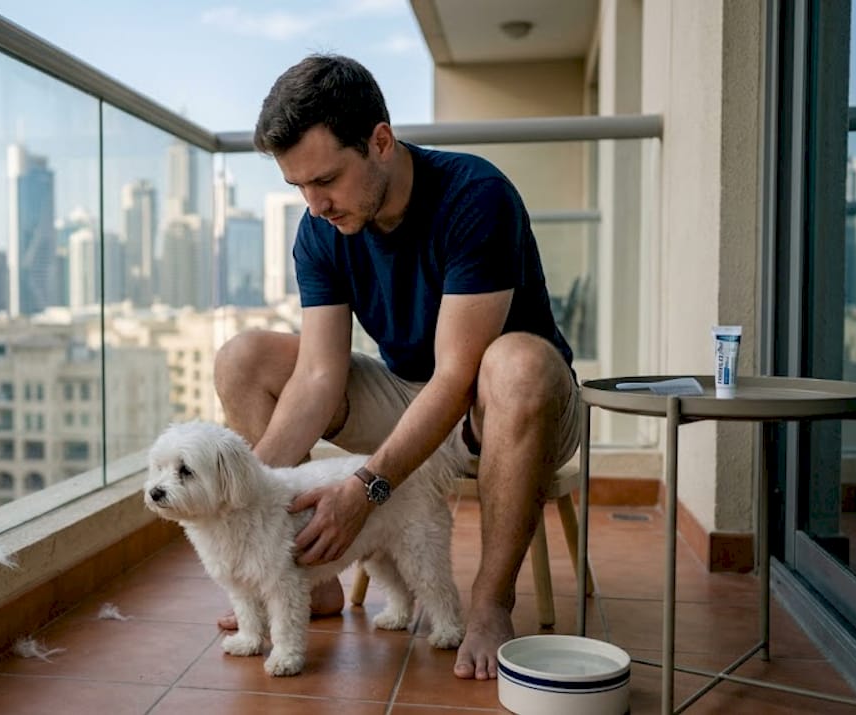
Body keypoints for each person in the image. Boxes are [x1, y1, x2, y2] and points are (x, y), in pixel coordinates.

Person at [212, 53, 581, 681]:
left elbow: (457, 376)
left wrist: (366, 490)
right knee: (244, 358)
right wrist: (248, 500)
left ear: (380, 141)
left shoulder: (475, 195)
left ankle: (490, 604)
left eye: (326, 179)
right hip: (410, 393)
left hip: (510, 404)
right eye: (299, 187)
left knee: (515, 363)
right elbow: (319, 378)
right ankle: (310, 579)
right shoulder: (321, 229)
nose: (315, 204)